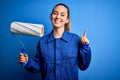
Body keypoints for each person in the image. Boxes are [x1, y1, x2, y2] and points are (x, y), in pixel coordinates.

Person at [18, 3, 91, 80]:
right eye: (55, 13)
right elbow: (38, 65)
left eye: (62, 15)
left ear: (67, 20)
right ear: (51, 16)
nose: (58, 17)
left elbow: (83, 66)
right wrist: (27, 62)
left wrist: (85, 47)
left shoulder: (75, 39)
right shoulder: (42, 42)